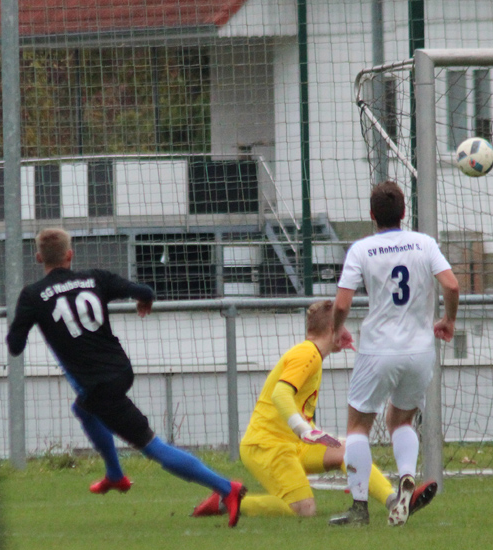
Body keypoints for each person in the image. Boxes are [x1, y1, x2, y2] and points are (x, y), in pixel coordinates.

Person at [6, 228, 246, 527]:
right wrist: (144, 302)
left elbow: (15, 346)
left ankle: (227, 488)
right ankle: (115, 474)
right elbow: (144, 291)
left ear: (39, 256)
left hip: (99, 385)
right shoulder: (94, 278)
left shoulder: (32, 295)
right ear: (70, 255)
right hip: (121, 370)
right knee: (83, 409)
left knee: (152, 447)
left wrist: (31, 324)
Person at [189, 300, 437, 520]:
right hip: (266, 446)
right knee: (303, 510)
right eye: (342, 324)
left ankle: (396, 502)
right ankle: (226, 501)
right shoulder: (307, 354)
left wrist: (304, 432)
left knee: (346, 450)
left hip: (293, 443)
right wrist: (302, 429)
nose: (347, 330)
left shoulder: (312, 354)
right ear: (332, 329)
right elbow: (280, 394)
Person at [329, 180, 460, 527]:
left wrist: (336, 329)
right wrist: (448, 319)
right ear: (404, 213)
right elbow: (451, 284)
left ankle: (359, 508)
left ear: (372, 215)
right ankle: (406, 477)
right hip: (419, 350)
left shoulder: (362, 249)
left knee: (357, 427)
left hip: (378, 350)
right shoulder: (424, 243)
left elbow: (342, 302)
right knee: (400, 421)